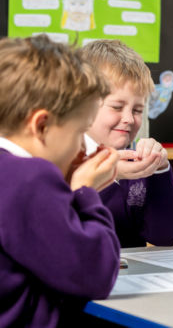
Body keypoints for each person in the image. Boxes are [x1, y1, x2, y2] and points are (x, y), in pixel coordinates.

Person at [0, 35, 120, 326]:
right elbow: (97, 273)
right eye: (80, 132)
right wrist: (84, 191)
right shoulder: (30, 178)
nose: (81, 147)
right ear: (41, 125)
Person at [81, 40, 173, 248]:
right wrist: (107, 172)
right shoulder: (59, 160)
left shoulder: (136, 160)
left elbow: (166, 236)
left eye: (137, 110)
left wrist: (160, 170)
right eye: (117, 107)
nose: (129, 118)